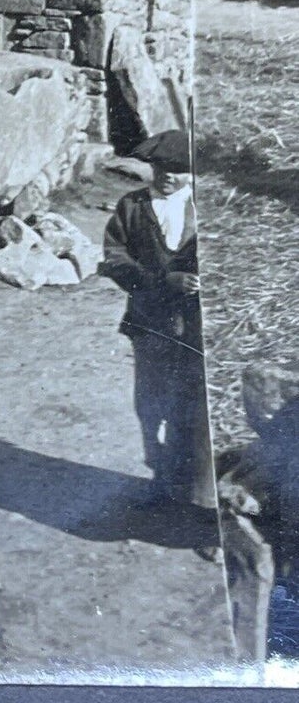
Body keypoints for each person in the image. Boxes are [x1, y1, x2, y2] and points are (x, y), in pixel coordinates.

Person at [101, 129, 217, 510]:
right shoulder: (132, 208)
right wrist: (161, 281)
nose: (169, 176)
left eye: (180, 170)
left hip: (199, 330)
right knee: (152, 401)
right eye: (162, 167)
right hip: (150, 323)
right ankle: (159, 475)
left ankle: (199, 494)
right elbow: (115, 260)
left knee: (196, 407)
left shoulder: (209, 207)